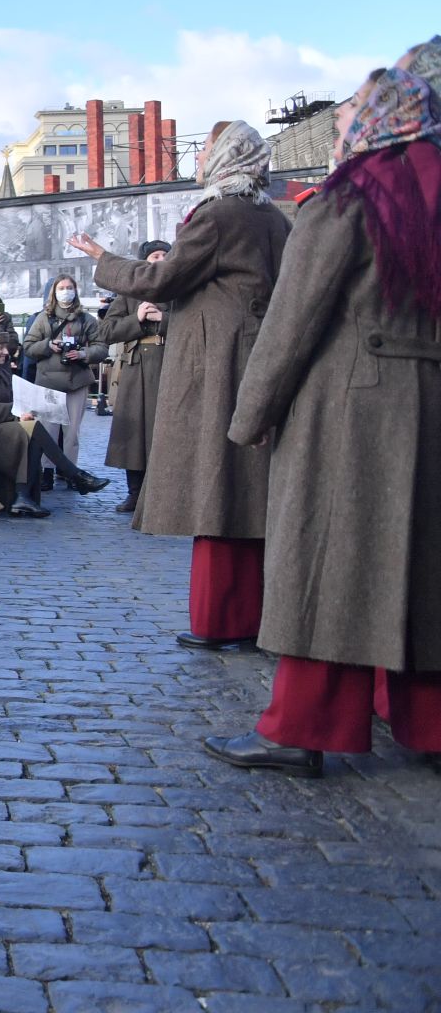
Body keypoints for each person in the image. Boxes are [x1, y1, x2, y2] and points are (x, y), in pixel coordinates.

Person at [207, 64, 441, 776]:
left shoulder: (349, 197)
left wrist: (251, 418)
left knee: (329, 568)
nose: (338, 132)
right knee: (425, 575)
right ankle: (431, 728)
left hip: (349, 407)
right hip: (431, 404)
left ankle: (300, 727)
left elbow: (294, 318)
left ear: (375, 121)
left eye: (343, 121)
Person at [71, 120, 291, 650]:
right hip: (254, 359)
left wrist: (103, 260)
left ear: (223, 159)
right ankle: (258, 619)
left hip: (218, 365)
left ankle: (221, 621)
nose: (197, 161)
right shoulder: (272, 217)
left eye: (206, 151)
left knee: (216, 489)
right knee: (253, 491)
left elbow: (161, 279)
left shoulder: (217, 215)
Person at [0, 327, 106, 519]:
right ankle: (75, 475)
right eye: (0, 347)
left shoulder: (2, 367)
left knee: (33, 434)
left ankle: (23, 497)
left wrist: (24, 409)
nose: (6, 352)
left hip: (4, 424)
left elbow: (13, 397)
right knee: (33, 429)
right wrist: (15, 412)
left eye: (6, 347)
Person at [97, 242, 171, 512]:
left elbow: (192, 325)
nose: (160, 260)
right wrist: (137, 319)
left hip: (167, 367)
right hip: (135, 368)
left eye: (165, 255)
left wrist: (164, 319)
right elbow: (105, 331)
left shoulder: (180, 288)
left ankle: (162, 496)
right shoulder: (129, 293)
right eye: (154, 256)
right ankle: (135, 494)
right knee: (133, 434)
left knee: (162, 434)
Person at [20, 272, 109, 469]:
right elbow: (28, 346)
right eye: (61, 288)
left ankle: (70, 471)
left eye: (69, 288)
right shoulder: (43, 318)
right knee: (48, 430)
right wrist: (48, 345)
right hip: (48, 384)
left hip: (76, 381)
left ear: (75, 291)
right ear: (54, 293)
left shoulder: (86, 319)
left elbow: (101, 348)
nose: (65, 292)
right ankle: (47, 471)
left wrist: (83, 354)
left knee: (72, 434)